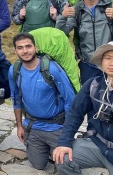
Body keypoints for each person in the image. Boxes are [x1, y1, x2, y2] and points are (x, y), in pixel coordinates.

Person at [9, 32, 76, 170]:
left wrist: (68, 133)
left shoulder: (51, 69)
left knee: (65, 163)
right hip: (33, 126)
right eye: (20, 48)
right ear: (15, 50)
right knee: (38, 164)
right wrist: (20, 126)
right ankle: (45, 148)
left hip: (56, 127)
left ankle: (67, 145)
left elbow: (70, 101)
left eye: (28, 46)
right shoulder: (14, 71)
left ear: (36, 48)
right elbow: (16, 99)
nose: (25, 51)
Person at [53, 42, 113, 174]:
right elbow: (75, 113)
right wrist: (64, 142)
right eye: (108, 58)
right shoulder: (93, 85)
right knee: (63, 158)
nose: (112, 63)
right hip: (96, 144)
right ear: (101, 62)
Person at [56, 0, 113, 84]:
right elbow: (62, 32)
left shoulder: (110, 7)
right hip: (87, 63)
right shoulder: (76, 10)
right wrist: (62, 17)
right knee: (90, 95)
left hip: (110, 62)